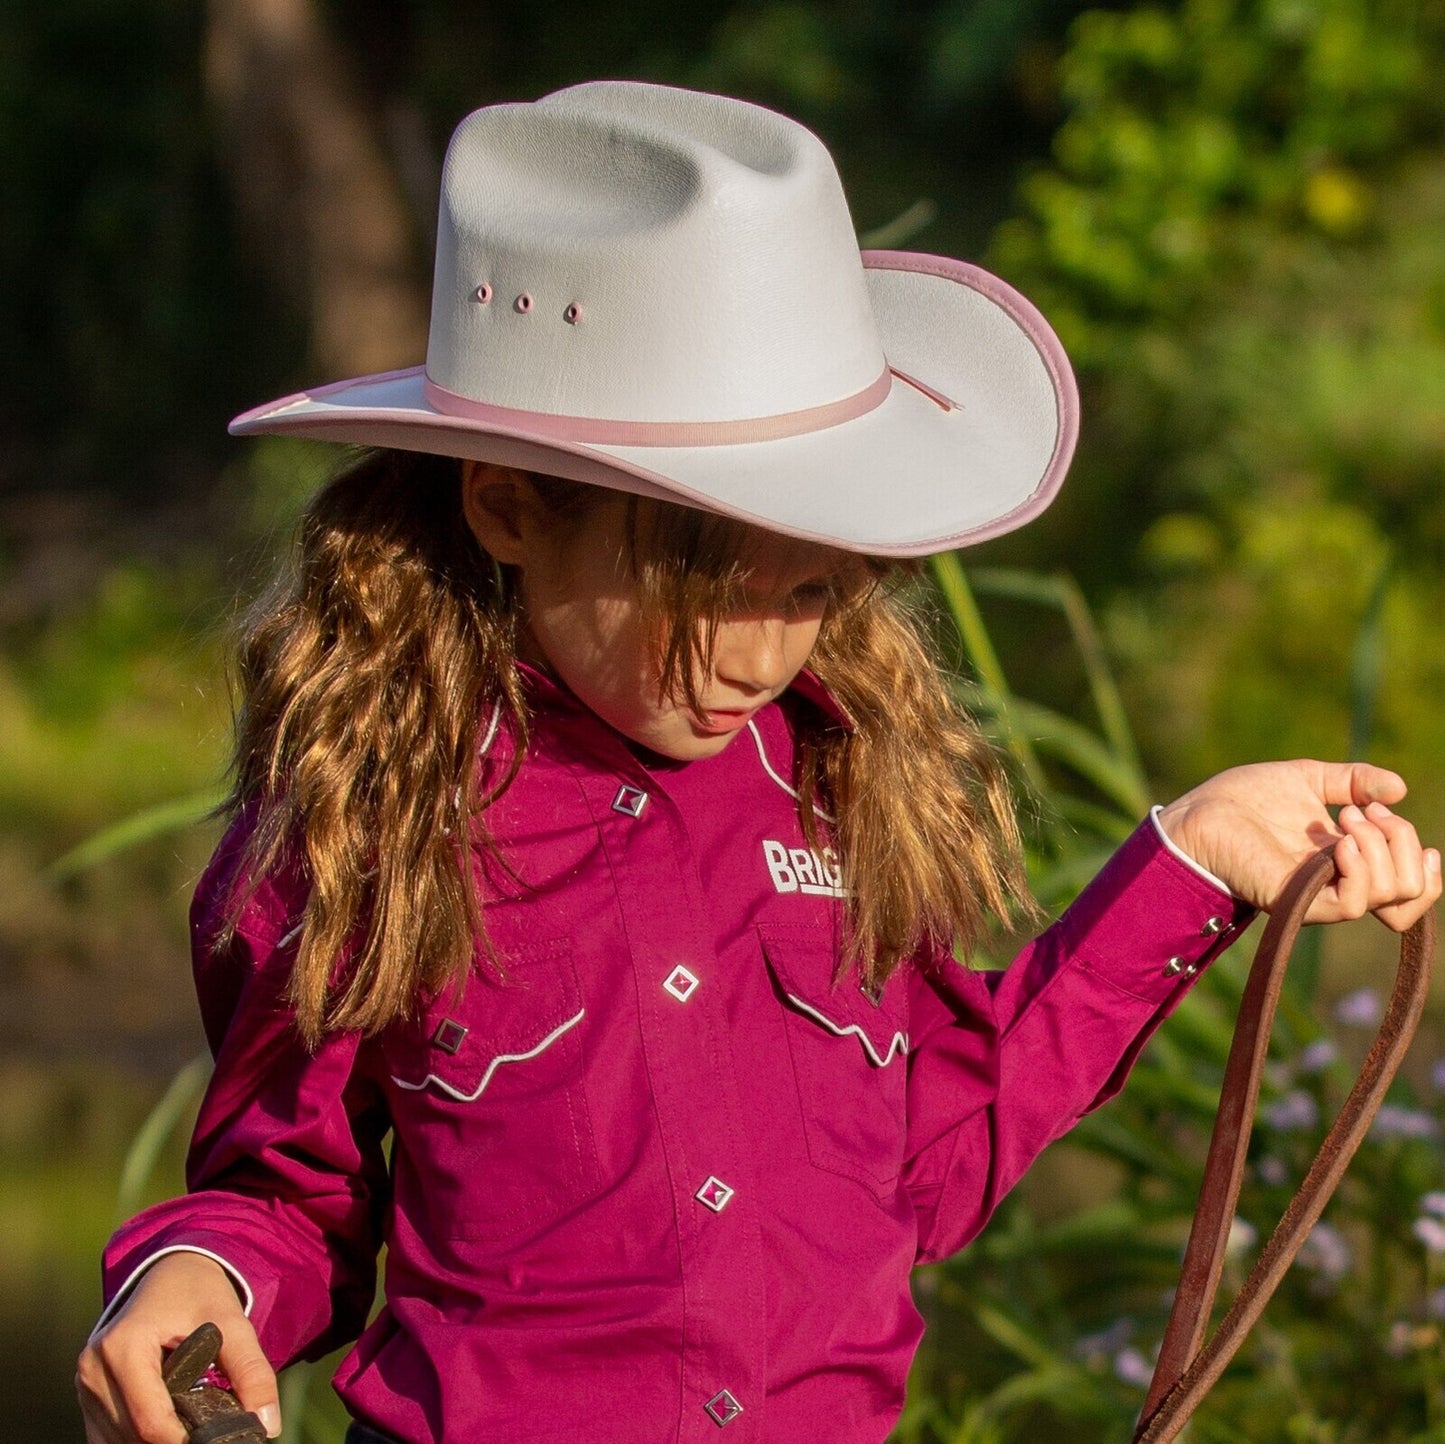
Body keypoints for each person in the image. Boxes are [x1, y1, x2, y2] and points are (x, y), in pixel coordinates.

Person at [76, 81, 1439, 1444]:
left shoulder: (834, 793)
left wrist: (1191, 859)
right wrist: (195, 1279)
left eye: (817, 589)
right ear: (506, 505)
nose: (762, 655)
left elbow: (923, 1164)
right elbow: (288, 1194)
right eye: (712, 574)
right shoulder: (367, 825)